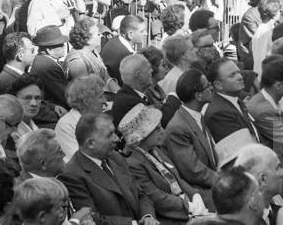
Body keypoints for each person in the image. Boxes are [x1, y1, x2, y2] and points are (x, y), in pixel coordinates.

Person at [58, 112, 159, 225]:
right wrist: (135, 224)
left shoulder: (116, 157)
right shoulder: (72, 175)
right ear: (90, 143)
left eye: (114, 132)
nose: (117, 139)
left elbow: (140, 194)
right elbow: (91, 218)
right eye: (109, 134)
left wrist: (147, 216)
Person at [120, 104, 207, 225]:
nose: (163, 131)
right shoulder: (133, 163)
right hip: (171, 219)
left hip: (187, 208)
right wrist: (188, 205)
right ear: (141, 137)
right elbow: (156, 198)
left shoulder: (155, 150)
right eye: (157, 129)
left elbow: (177, 179)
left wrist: (195, 195)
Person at [164, 69, 218, 210]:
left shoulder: (198, 116)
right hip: (200, 195)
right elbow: (194, 171)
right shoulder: (178, 127)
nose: (212, 87)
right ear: (198, 96)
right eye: (207, 86)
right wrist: (223, 180)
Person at [55, 75, 106, 162]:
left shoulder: (98, 119)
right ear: (87, 101)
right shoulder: (66, 126)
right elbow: (80, 162)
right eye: (101, 97)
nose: (105, 101)